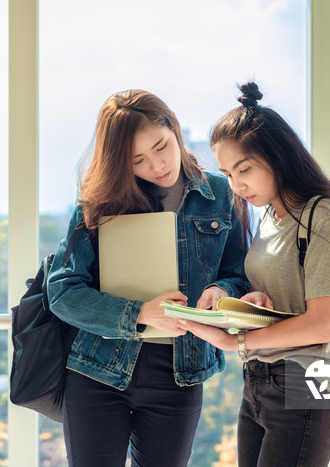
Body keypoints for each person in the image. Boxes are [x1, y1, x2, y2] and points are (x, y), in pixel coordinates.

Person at [46, 89, 248, 467]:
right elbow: (62, 291)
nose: (157, 165)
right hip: (98, 370)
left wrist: (221, 290)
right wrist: (139, 313)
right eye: (137, 159)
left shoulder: (221, 194)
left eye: (161, 146)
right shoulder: (99, 200)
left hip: (180, 375)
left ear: (173, 125)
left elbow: (239, 276)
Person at [176, 82, 330, 467]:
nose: (236, 185)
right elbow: (281, 296)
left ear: (278, 156)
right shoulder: (268, 217)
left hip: (306, 385)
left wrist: (239, 344)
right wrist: (253, 302)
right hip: (258, 384)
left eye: (244, 169)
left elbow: (322, 325)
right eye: (228, 174)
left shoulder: (323, 216)